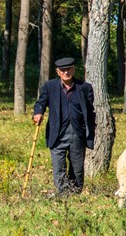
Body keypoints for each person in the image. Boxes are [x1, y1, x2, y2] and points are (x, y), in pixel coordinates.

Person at [32, 57, 96, 195]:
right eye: (63, 70)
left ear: (73, 69)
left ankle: (74, 194)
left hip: (77, 134)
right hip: (57, 134)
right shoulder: (50, 87)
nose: (66, 72)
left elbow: (90, 111)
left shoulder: (84, 88)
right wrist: (38, 113)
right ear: (58, 72)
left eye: (69, 69)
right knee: (58, 167)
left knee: (77, 168)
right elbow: (40, 103)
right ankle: (63, 194)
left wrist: (90, 130)